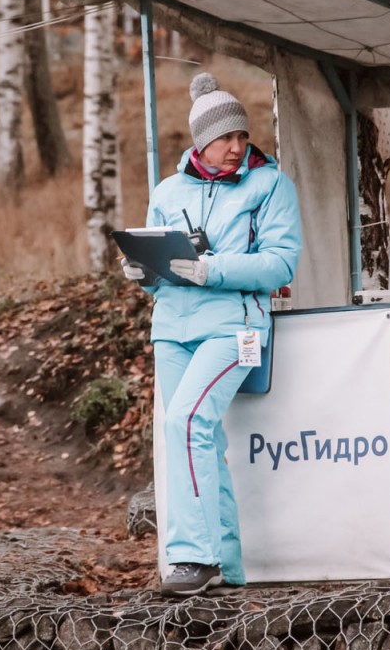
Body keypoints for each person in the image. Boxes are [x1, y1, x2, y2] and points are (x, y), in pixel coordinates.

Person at [122, 72, 302, 597]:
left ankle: (193, 557)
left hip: (234, 328)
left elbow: (281, 263)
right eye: (226, 137)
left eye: (243, 135)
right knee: (197, 437)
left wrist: (213, 269)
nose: (237, 146)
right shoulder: (167, 191)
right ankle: (226, 564)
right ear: (201, 139)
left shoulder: (271, 185)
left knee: (186, 421)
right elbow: (162, 274)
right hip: (172, 329)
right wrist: (143, 273)